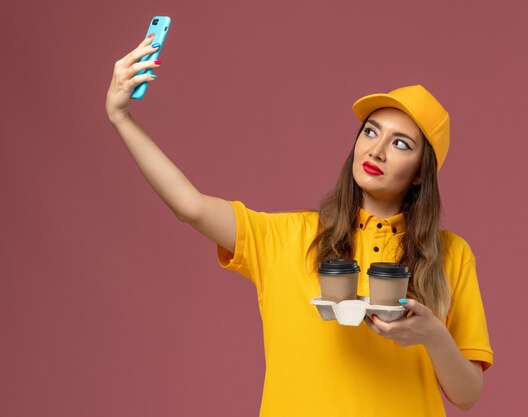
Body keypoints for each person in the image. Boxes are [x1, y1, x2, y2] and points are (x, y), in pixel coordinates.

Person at [105, 35, 493, 417]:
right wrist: (121, 117)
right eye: (371, 132)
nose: (376, 149)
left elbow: (467, 394)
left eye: (401, 144)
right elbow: (189, 205)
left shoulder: (451, 256)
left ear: (421, 174)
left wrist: (433, 337)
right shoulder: (287, 237)